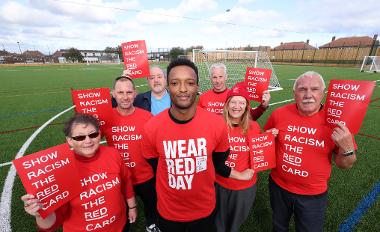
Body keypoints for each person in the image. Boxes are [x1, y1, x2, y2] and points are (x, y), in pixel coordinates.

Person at [141, 58, 254, 232]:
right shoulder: (151, 127)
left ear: (198, 87)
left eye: (190, 82)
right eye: (175, 83)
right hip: (168, 211)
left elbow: (218, 162)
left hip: (204, 210)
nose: (183, 89)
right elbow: (156, 164)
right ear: (168, 87)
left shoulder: (217, 125)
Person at [264, 71, 357, 232]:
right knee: (279, 226)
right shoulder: (278, 114)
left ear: (323, 93)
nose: (308, 94)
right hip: (278, 187)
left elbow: (344, 164)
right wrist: (266, 139)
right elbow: (266, 143)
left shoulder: (336, 122)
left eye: (314, 89)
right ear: (294, 93)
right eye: (302, 89)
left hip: (312, 195)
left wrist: (347, 148)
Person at [21, 113, 137, 232]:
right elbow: (51, 225)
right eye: (80, 137)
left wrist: (132, 207)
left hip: (120, 225)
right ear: (70, 140)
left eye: (93, 134)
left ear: (99, 134)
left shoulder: (113, 154)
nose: (88, 141)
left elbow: (126, 182)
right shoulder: (60, 168)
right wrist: (40, 214)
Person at [103, 76, 160, 232]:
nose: (125, 96)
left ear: (135, 94)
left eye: (129, 92)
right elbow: (90, 141)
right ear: (113, 94)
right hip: (118, 176)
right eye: (120, 92)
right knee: (120, 209)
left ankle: (151, 224)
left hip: (145, 175)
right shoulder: (105, 117)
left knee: (151, 203)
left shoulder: (147, 117)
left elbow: (158, 143)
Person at [197, 63, 270, 120]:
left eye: (220, 77)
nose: (218, 81)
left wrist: (263, 107)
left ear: (226, 77)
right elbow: (198, 119)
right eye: (214, 77)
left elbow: (249, 117)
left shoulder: (235, 96)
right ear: (210, 78)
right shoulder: (203, 97)